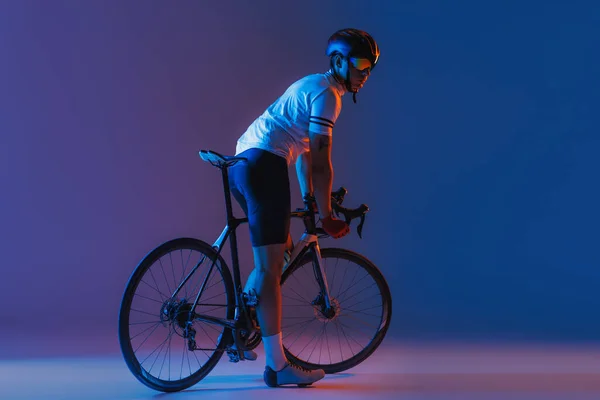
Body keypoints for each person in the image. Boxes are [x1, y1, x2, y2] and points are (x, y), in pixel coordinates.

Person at [228, 28, 380, 388]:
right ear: (339, 61)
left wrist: (310, 199)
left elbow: (304, 152)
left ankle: (243, 320)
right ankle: (278, 366)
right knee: (268, 268)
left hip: (243, 163)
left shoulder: (313, 85)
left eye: (370, 67)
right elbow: (322, 162)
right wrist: (326, 216)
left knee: (281, 251)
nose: (364, 72)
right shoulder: (329, 96)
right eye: (359, 63)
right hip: (265, 164)